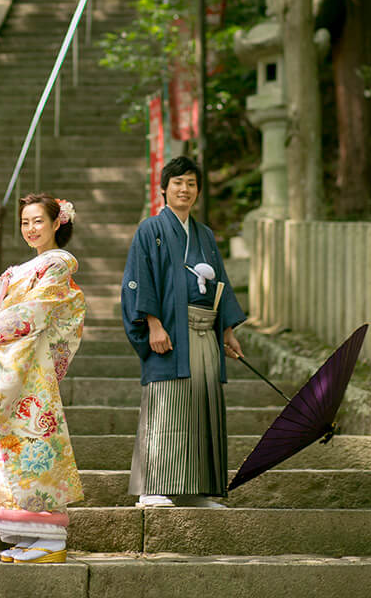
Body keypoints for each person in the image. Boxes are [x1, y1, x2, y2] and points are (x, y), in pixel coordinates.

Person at [0, 193, 85, 563]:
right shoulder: (19, 270)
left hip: (30, 372)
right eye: (25, 222)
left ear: (58, 223)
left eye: (38, 221)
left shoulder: (57, 265)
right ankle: (27, 536)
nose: (30, 229)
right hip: (5, 367)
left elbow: (32, 311)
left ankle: (51, 540)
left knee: (31, 443)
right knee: (2, 445)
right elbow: (1, 320)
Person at [121, 155, 245, 507]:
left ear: (198, 191)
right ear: (164, 190)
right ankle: (153, 486)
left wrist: (227, 331)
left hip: (206, 332)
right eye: (178, 183)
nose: (185, 189)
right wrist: (153, 323)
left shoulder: (204, 234)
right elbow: (138, 278)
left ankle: (198, 490)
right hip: (171, 332)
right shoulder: (151, 230)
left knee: (203, 407)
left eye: (191, 183)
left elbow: (220, 283)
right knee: (168, 406)